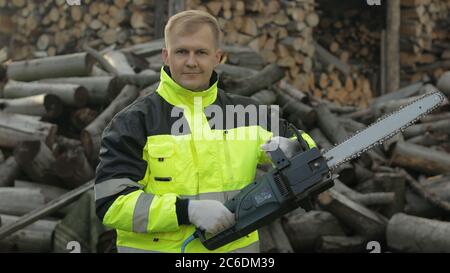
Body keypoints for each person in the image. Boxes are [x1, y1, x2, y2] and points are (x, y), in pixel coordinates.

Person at [94, 10, 316, 253]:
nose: (191, 61)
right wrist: (184, 211)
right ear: (166, 56)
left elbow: (307, 150)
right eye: (181, 52)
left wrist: (295, 147)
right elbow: (111, 203)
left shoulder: (248, 114)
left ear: (217, 57)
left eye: (201, 52)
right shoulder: (133, 122)